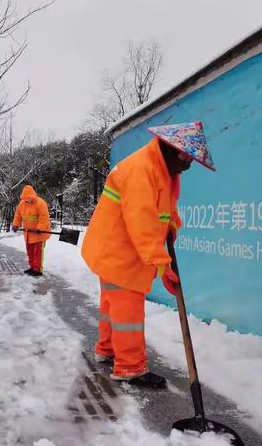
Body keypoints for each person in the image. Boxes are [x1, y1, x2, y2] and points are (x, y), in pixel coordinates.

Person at [82, 122, 215, 387]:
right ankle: (130, 368)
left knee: (112, 307)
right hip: (118, 252)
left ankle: (106, 349)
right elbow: (141, 223)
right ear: (172, 148)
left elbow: (166, 208)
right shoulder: (141, 169)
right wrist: (162, 264)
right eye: (186, 157)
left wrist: (172, 224)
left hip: (113, 250)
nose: (188, 164)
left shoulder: (163, 169)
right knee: (128, 312)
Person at [12, 185, 51, 276]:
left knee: (38, 252)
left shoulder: (41, 203)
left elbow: (44, 218)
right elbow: (18, 215)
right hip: (28, 233)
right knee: (30, 251)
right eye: (26, 198)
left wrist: (40, 228)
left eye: (29, 198)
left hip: (39, 233)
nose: (27, 200)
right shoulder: (22, 204)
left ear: (33, 195)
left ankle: (37, 269)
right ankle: (32, 267)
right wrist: (15, 224)